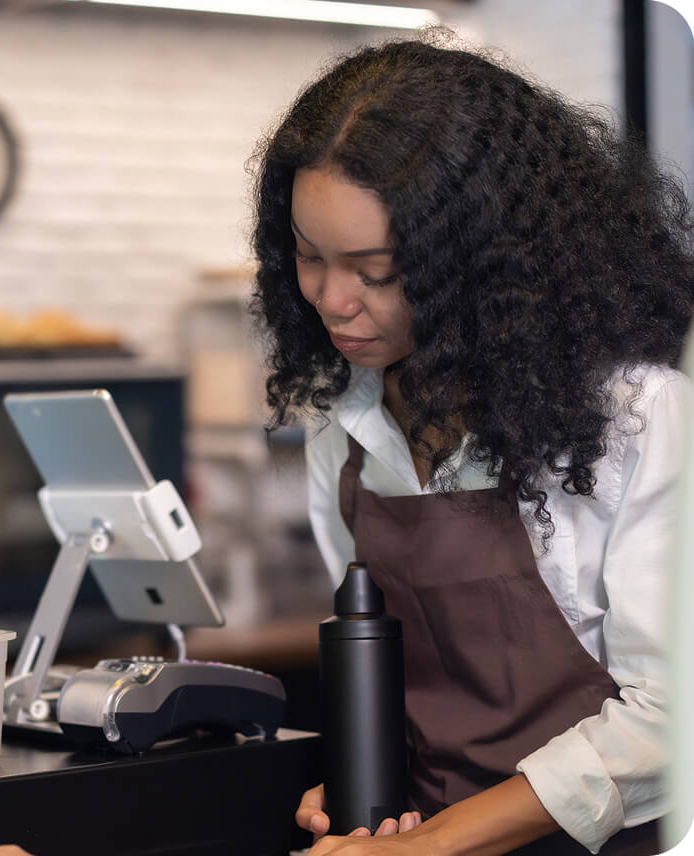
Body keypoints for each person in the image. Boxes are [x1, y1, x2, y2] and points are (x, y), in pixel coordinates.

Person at [248, 30, 694, 856]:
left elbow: (674, 720)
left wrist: (437, 843)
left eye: (376, 271)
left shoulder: (641, 418)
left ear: (485, 262)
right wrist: (358, 783)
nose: (331, 301)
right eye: (309, 257)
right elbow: (399, 687)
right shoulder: (342, 432)